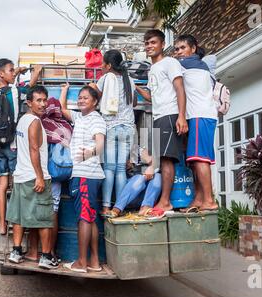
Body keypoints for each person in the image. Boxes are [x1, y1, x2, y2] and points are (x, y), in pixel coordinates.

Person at [135, 29, 188, 217]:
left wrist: (181, 116)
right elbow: (152, 96)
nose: (149, 46)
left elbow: (180, 88)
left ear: (162, 44)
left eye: (153, 42)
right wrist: (137, 89)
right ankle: (164, 200)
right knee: (162, 158)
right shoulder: (152, 70)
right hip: (158, 116)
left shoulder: (170, 62)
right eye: (147, 43)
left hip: (169, 114)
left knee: (167, 159)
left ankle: (165, 202)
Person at [6, 85, 58, 269]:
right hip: (33, 176)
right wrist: (40, 177)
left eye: (45, 100)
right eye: (39, 100)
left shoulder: (22, 121)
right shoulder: (35, 122)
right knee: (44, 217)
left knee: (19, 217)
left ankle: (16, 251)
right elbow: (34, 149)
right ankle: (45, 256)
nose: (43, 104)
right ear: (29, 102)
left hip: (20, 176)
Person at [0, 59, 42, 235]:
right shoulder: (14, 91)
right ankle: (20, 222)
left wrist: (17, 71)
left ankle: (2, 224)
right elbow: (30, 91)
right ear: (1, 74)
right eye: (11, 71)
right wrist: (36, 72)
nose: (14, 73)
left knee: (2, 184)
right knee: (18, 183)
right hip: (12, 144)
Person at [59, 85, 106, 273]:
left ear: (95, 102)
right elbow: (63, 110)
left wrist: (90, 152)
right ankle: (94, 262)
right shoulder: (80, 117)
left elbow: (101, 143)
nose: (81, 100)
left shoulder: (95, 119)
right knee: (90, 218)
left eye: (86, 98)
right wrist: (65, 89)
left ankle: (81, 262)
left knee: (84, 218)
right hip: (85, 174)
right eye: (79, 97)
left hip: (86, 174)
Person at [88, 49, 136, 217]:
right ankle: (120, 207)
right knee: (121, 169)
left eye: (102, 64)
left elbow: (96, 98)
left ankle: (106, 207)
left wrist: (93, 86)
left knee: (109, 168)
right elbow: (134, 101)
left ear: (108, 65)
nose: (101, 66)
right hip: (128, 128)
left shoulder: (105, 78)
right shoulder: (129, 79)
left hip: (111, 126)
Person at [173, 34, 218, 212]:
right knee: (194, 160)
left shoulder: (187, 64)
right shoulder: (202, 65)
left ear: (193, 49)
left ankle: (209, 200)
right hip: (200, 115)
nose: (179, 52)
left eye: (183, 48)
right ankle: (199, 199)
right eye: (176, 49)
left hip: (200, 115)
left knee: (200, 160)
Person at [38, 88, 73, 260]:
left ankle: (42, 251)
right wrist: (64, 91)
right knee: (55, 209)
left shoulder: (42, 123)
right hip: (61, 174)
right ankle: (51, 251)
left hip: (43, 174)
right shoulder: (67, 127)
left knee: (43, 210)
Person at [106, 145, 162, 218]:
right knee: (139, 178)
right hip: (128, 197)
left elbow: (156, 165)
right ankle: (117, 209)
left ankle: (145, 208)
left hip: (145, 198)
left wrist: (151, 165)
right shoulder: (126, 148)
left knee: (158, 177)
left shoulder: (153, 147)